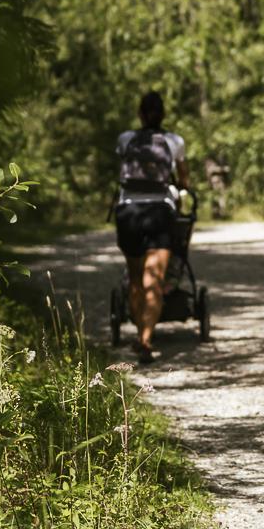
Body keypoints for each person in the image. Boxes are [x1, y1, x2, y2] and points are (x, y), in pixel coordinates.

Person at [114, 91, 190, 363]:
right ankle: (146, 339)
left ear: (140, 114)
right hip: (160, 212)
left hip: (129, 212)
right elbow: (184, 179)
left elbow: (122, 173)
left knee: (135, 280)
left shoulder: (125, 140)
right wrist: (183, 188)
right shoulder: (174, 141)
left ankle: (139, 333)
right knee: (154, 281)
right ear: (164, 114)